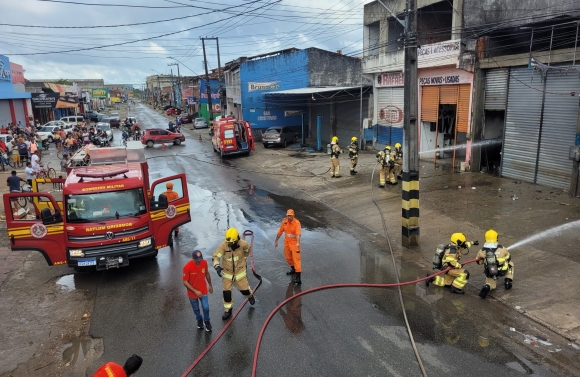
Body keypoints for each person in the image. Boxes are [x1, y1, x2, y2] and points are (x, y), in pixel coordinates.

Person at [212, 227, 255, 320]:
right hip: (227, 273)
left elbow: (247, 251)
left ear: (237, 240)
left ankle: (250, 296)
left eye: (232, 243)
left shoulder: (243, 244)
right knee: (226, 293)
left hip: (240, 272)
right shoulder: (223, 245)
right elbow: (216, 256)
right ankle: (228, 310)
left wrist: (243, 260)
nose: (230, 244)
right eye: (229, 243)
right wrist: (217, 266)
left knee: (244, 290)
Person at [475, 229, 514, 299]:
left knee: (491, 285)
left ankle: (487, 287)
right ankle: (508, 281)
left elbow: (478, 262)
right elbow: (509, 258)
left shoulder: (482, 251)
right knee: (511, 264)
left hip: (490, 272)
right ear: (497, 238)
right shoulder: (502, 248)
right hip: (502, 270)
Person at [183, 250, 213, 332]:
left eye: (200, 259)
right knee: (196, 309)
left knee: (206, 307)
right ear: (193, 258)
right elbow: (185, 282)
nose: (199, 262)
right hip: (192, 293)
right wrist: (195, 291)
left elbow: (206, 273)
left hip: (203, 291)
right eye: (197, 260)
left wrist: (210, 285)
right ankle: (199, 319)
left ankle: (207, 321)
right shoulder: (187, 267)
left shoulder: (204, 262)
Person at [274, 209, 302, 285]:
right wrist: (276, 241)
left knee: (296, 259)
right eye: (288, 216)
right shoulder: (284, 221)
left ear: (293, 215)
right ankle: (293, 269)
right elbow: (280, 232)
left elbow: (298, 234)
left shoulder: (297, 223)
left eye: (290, 216)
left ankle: (298, 278)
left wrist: (298, 243)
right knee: (288, 258)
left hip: (294, 243)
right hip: (286, 243)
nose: (289, 217)